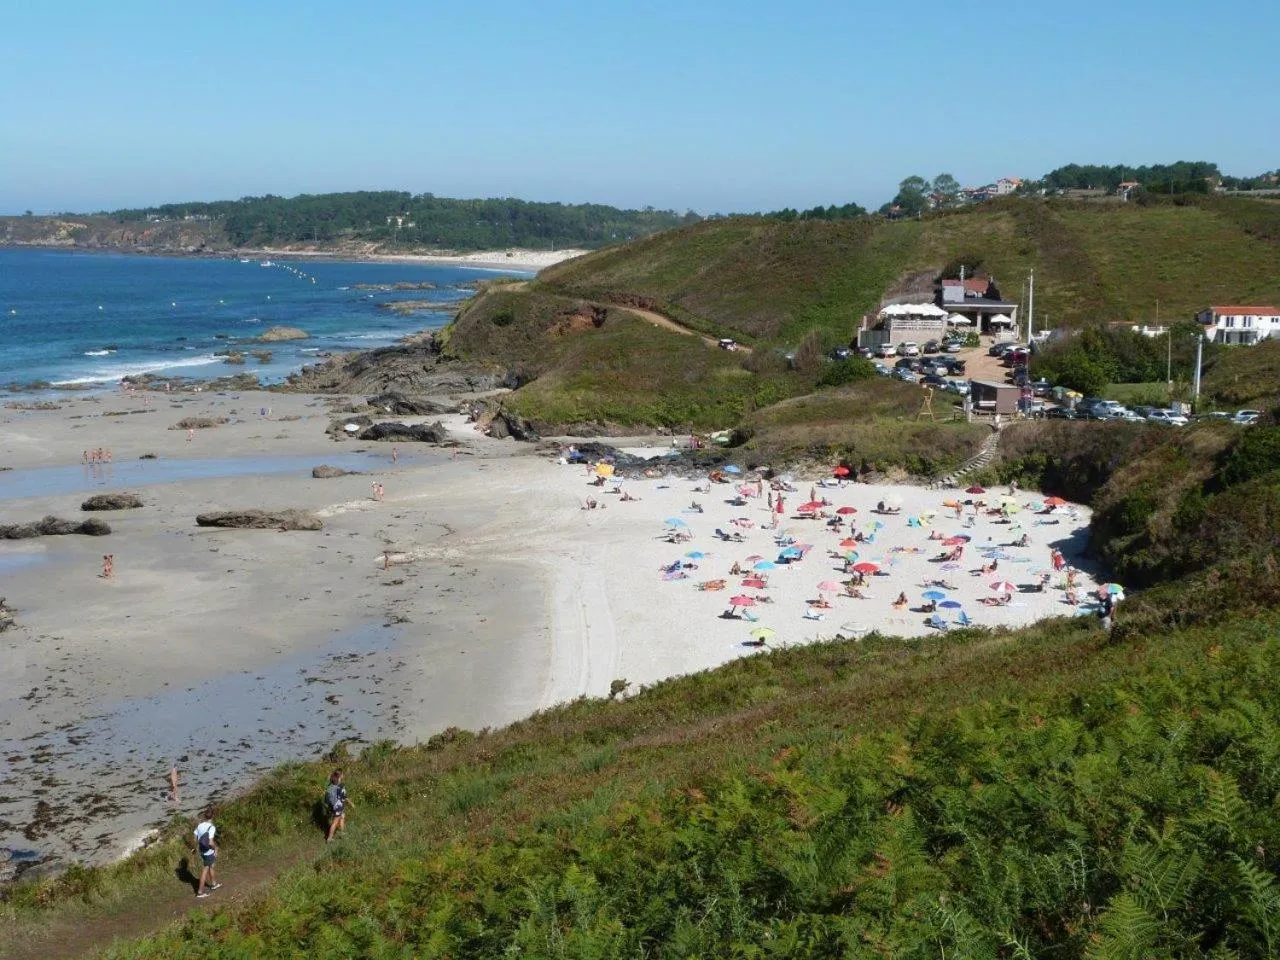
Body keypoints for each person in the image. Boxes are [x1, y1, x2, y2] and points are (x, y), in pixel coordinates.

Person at [193, 819, 221, 898]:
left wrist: (196, 847)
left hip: (202, 851)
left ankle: (213, 884)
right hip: (208, 852)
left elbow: (195, 838)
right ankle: (200, 892)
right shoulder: (211, 827)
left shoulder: (199, 825)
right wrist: (215, 848)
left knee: (211, 865)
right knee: (205, 869)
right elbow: (210, 842)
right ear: (212, 817)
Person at [325, 769, 349, 843]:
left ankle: (342, 832)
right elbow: (344, 796)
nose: (343, 776)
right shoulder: (340, 786)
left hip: (334, 806)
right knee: (335, 822)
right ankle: (329, 838)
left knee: (342, 817)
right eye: (342, 774)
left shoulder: (330, 786)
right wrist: (349, 803)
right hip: (338, 807)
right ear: (340, 776)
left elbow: (326, 799)